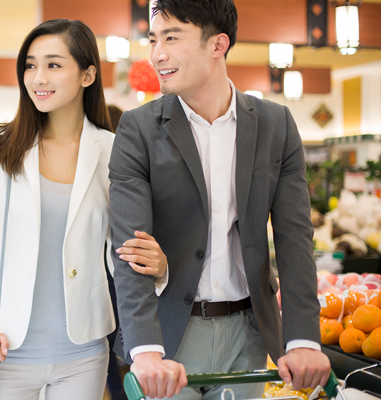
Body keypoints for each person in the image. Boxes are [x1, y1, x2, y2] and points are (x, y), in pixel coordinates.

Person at [109, 1, 332, 399]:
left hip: (249, 331)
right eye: (154, 39)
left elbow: (295, 239)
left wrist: (303, 340)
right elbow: (130, 249)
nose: (157, 53)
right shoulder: (137, 129)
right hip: (170, 334)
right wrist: (144, 350)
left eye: (172, 38)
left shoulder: (275, 125)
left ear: (218, 45)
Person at [0, 19, 167, 400]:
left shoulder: (115, 149)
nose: (37, 77)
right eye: (30, 65)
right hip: (3, 350)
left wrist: (160, 267)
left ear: (87, 75)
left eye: (53, 64)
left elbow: (124, 248)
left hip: (83, 353)